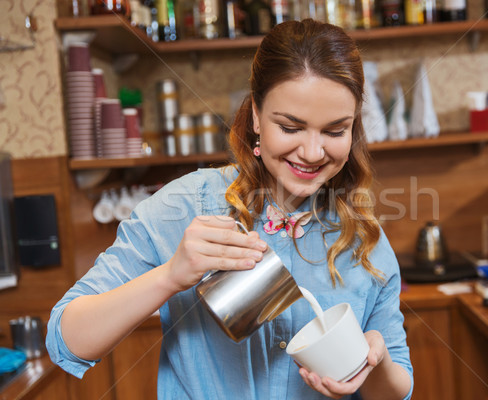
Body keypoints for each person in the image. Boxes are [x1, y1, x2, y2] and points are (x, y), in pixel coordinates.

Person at [46, 19, 413, 399]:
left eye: (335, 131)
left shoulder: (363, 239)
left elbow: (396, 389)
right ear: (256, 114)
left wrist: (376, 358)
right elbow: (66, 339)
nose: (312, 152)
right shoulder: (184, 207)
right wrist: (171, 276)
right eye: (290, 127)